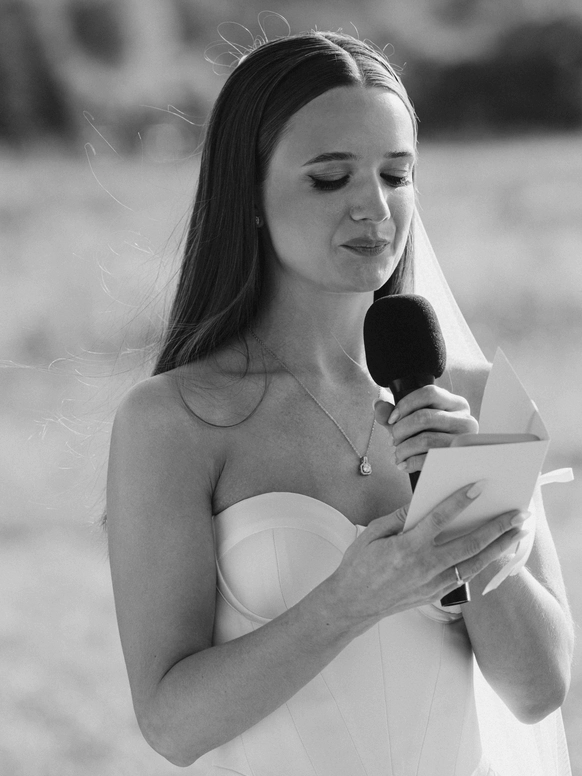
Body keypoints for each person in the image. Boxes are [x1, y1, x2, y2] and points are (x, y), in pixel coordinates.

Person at [106, 31, 574, 775]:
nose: (374, 207)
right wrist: (350, 601)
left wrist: (478, 527)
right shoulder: (173, 421)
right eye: (330, 178)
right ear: (247, 195)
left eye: (396, 174)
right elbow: (171, 725)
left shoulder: (475, 396)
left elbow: (539, 692)